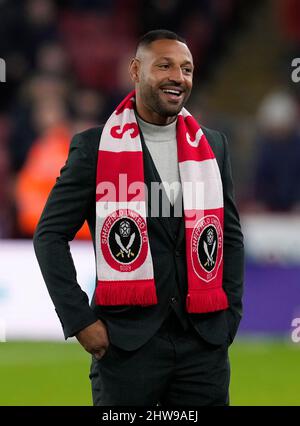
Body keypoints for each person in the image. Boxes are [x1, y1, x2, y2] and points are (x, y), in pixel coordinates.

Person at [33, 29, 244, 406]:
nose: (177, 77)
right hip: (125, 345)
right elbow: (49, 235)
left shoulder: (213, 145)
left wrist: (230, 316)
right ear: (135, 70)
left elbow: (230, 235)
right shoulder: (94, 148)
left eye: (187, 69)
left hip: (203, 344)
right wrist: (80, 320)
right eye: (164, 65)